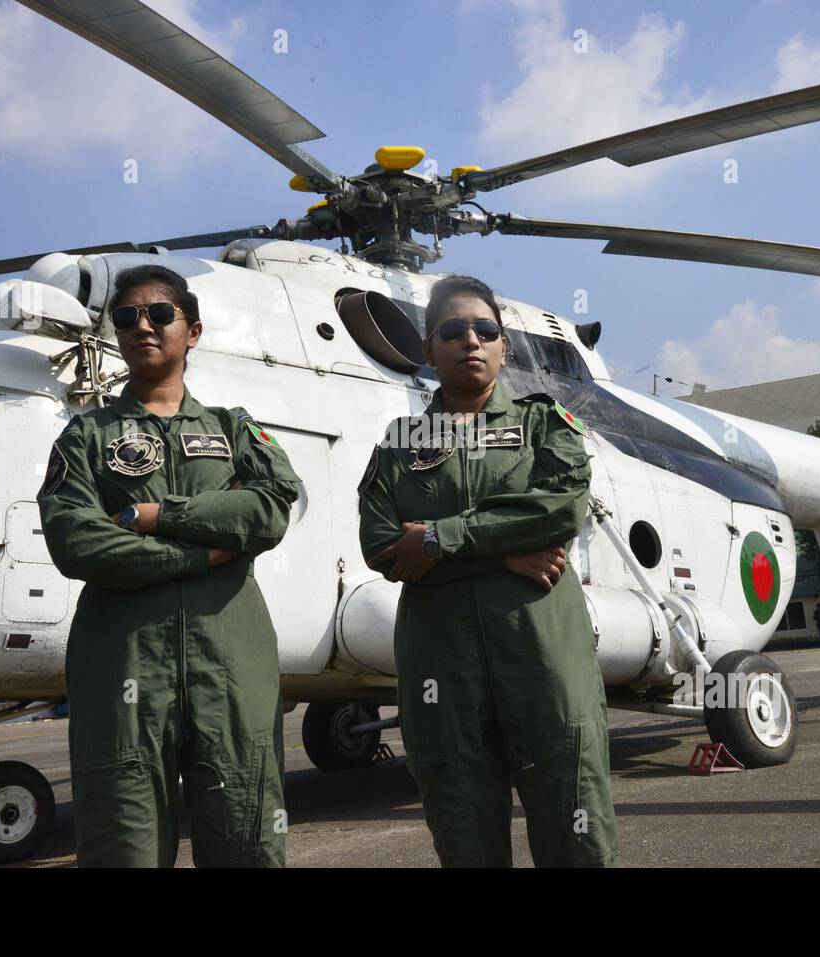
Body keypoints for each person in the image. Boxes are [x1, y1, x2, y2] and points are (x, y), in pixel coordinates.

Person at [38, 264, 299, 867]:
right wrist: (201, 552)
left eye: (160, 314)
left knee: (248, 838)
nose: (142, 326)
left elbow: (267, 512)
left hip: (230, 667)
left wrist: (156, 516)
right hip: (124, 668)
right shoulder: (85, 437)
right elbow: (76, 541)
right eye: (126, 318)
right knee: (120, 845)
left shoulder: (235, 428)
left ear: (194, 330)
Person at [358, 274, 620, 867]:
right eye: (452, 331)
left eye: (484, 329)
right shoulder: (401, 442)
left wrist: (438, 538)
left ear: (503, 346)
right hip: (441, 673)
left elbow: (560, 508)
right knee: (463, 832)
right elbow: (380, 545)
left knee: (576, 826)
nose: (469, 340)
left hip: (542, 661)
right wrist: (503, 553)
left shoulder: (542, 422)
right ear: (428, 351)